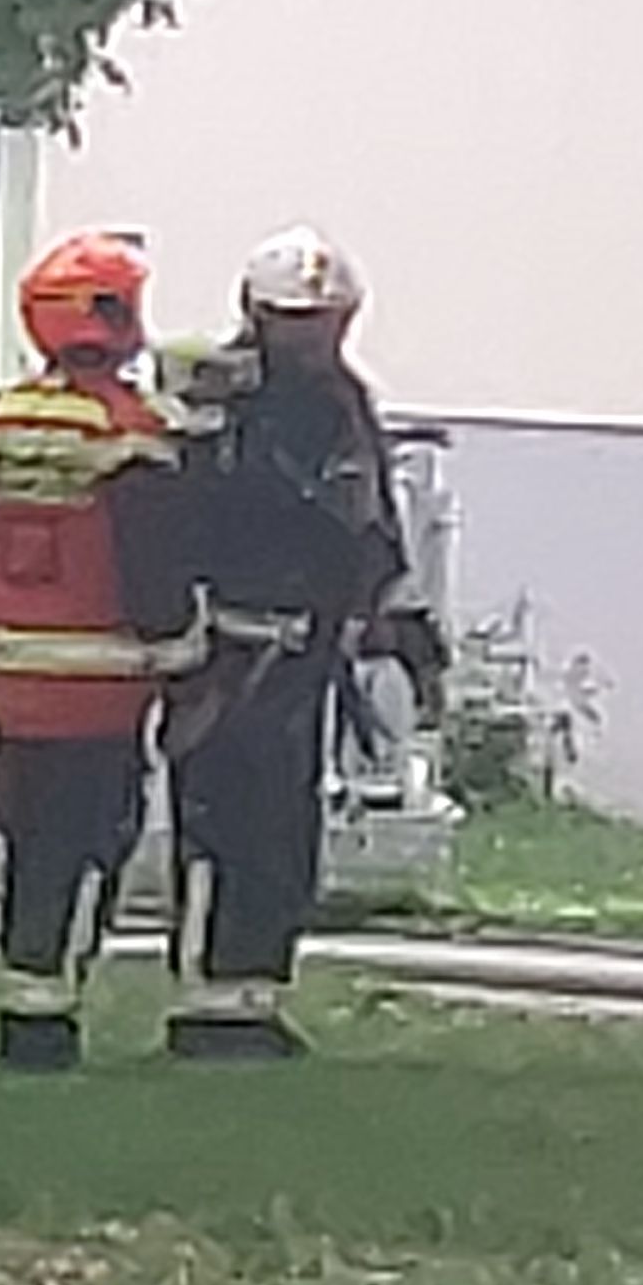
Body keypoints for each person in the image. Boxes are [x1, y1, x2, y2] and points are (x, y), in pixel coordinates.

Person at [156, 227, 426, 1063]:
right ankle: (204, 1000)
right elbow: (177, 521)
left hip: (306, 650)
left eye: (326, 321)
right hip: (224, 646)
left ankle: (256, 994)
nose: (314, 338)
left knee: (283, 828)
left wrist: (395, 615)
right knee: (215, 822)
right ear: (257, 315)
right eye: (297, 320)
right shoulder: (215, 402)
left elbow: (370, 513)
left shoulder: (346, 403)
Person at [0, 230, 198, 1074]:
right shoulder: (134, 433)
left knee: (27, 846)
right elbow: (151, 560)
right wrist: (182, 646)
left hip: (6, 679)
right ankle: (50, 1016)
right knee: (90, 847)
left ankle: (25, 1001)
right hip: (103, 684)